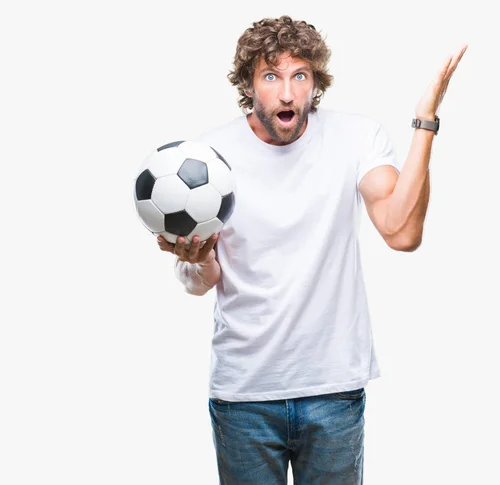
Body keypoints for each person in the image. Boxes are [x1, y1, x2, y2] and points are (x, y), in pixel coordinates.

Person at [157, 15, 467, 485]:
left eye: (299, 76)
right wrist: (196, 262)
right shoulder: (211, 158)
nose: (287, 94)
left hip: (333, 391)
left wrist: (426, 121)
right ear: (248, 84)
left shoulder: (355, 138)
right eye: (270, 76)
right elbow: (198, 282)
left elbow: (401, 232)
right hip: (245, 394)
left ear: (315, 82)